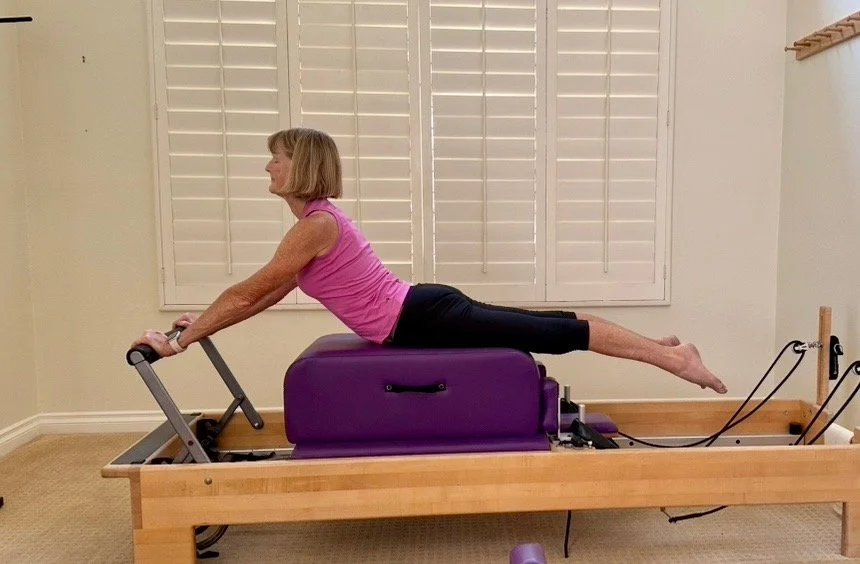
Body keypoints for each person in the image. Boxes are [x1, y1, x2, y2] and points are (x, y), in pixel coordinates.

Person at [132, 128, 727, 395]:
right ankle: (661, 346)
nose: (268, 167)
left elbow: (247, 291)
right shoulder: (313, 225)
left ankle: (672, 359)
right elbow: (263, 294)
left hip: (421, 317)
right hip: (422, 309)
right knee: (551, 324)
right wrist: (200, 324)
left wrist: (178, 342)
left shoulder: (315, 225)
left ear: (301, 166)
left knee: (558, 332)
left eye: (277, 158)